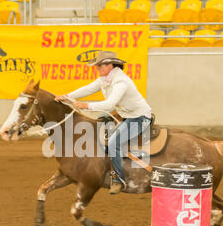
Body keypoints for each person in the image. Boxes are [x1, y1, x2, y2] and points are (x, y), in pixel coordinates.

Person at [56, 51, 152, 195]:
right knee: (100, 127)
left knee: (114, 142)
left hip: (139, 118)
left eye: (100, 65)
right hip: (125, 114)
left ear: (110, 65)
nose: (97, 68)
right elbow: (87, 89)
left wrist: (86, 106)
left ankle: (119, 179)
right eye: (97, 66)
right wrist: (67, 96)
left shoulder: (121, 82)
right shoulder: (105, 79)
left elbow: (109, 104)